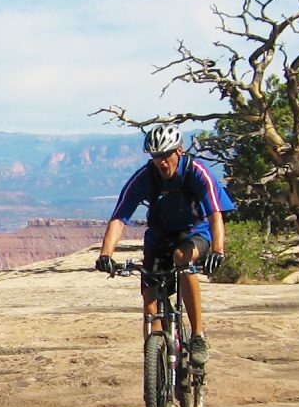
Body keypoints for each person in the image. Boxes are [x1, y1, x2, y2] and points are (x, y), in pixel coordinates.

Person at [95, 124, 235, 369]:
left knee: (182, 258)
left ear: (179, 151)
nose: (161, 162)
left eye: (165, 155)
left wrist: (218, 250)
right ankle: (157, 366)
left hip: (194, 232)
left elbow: (215, 213)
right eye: (155, 156)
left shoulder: (197, 171)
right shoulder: (144, 177)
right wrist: (106, 254)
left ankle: (198, 336)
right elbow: (119, 217)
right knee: (150, 300)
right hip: (159, 238)